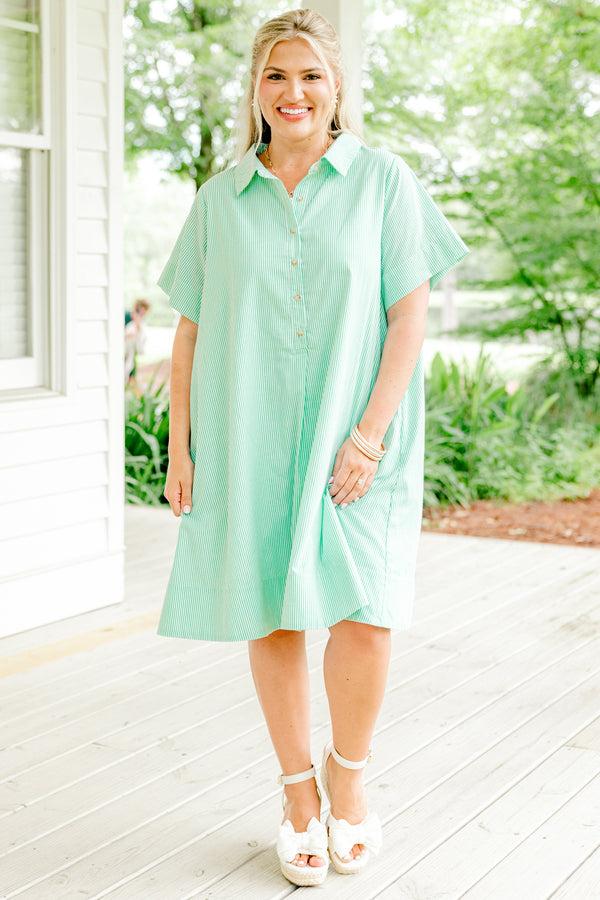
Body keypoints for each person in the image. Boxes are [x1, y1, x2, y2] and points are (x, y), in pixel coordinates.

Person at [157, 8, 468, 888]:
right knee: (275, 611)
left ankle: (348, 778)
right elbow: (189, 333)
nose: (293, 92)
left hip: (361, 438)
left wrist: (369, 434)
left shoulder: (384, 181)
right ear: (256, 90)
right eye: (276, 76)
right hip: (246, 432)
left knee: (366, 613)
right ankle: (298, 794)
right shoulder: (218, 201)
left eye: (310, 76)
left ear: (336, 88)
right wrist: (180, 449)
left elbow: (408, 314)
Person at [124, 298, 150, 384]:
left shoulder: (140, 321)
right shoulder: (126, 316)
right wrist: (128, 335)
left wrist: (138, 323)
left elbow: (140, 336)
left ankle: (130, 380)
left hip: (131, 350)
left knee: (131, 365)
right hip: (123, 348)